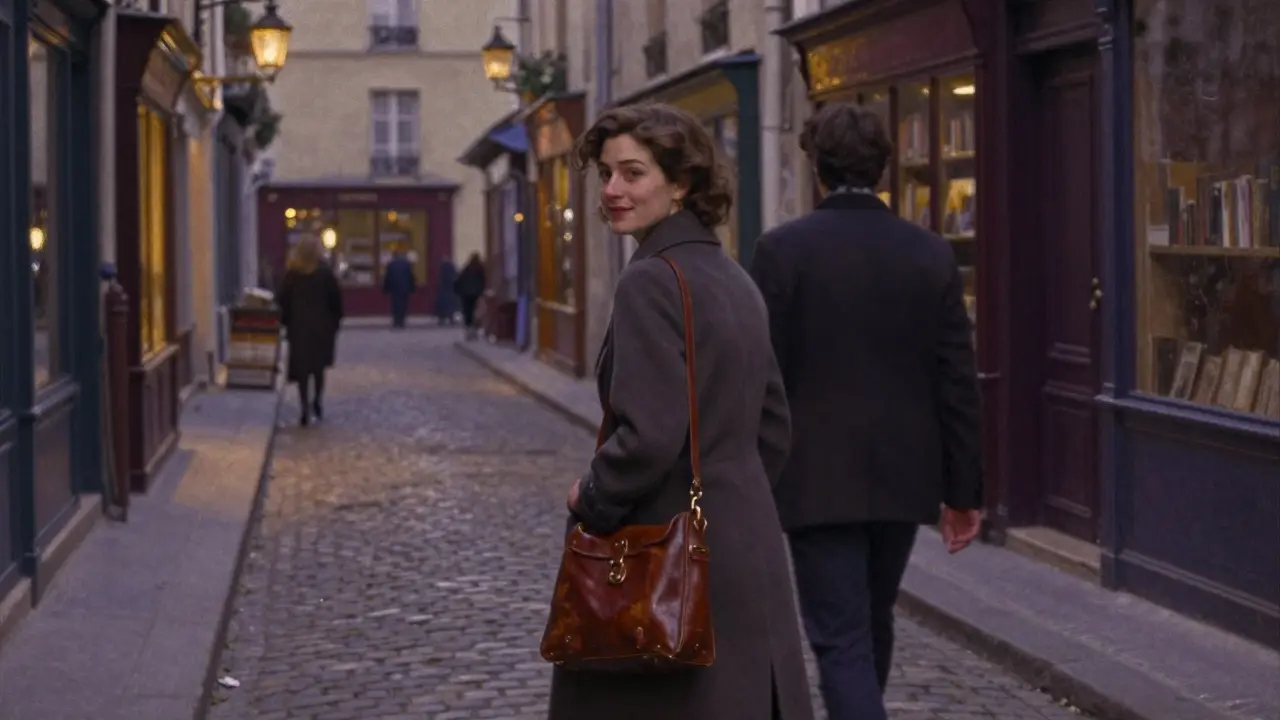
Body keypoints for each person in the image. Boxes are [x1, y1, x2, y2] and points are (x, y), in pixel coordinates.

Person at [552, 102, 814, 720]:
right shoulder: (729, 276)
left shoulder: (649, 281)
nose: (614, 190)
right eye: (608, 174)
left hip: (669, 568)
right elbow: (773, 426)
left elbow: (648, 438)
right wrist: (731, 492)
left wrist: (590, 497)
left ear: (682, 184)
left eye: (634, 173)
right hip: (746, 552)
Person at [748, 102, 984, 720]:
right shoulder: (929, 253)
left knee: (842, 637)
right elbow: (957, 379)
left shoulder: (782, 252)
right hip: (904, 477)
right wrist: (965, 492)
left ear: (817, 169)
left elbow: (759, 376)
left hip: (815, 478)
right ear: (882, 168)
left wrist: (748, 475)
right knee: (869, 623)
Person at [278, 236, 344, 427]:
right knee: (318, 368)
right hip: (321, 329)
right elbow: (336, 302)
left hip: (299, 328)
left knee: (302, 371)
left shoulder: (292, 275)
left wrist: (286, 322)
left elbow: (282, 300)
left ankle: (304, 406)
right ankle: (317, 401)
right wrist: (334, 323)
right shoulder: (325, 274)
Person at [452, 253, 486, 340]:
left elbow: (460, 280)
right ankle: (474, 329)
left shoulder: (467, 268)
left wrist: (458, 291)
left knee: (468, 311)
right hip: (476, 294)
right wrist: (481, 291)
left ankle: (469, 328)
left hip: (466, 294)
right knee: (475, 311)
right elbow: (483, 280)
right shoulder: (480, 268)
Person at [381, 247, 417, 328]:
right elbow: (410, 276)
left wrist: (386, 288)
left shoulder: (391, 264)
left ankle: (396, 320)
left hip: (394, 288)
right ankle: (402, 320)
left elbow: (388, 277)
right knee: (403, 304)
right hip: (404, 288)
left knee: (395, 304)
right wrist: (412, 287)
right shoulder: (406, 264)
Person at [435, 258, 460, 325]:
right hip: (450, 291)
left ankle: (442, 319)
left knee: (443, 306)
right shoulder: (452, 273)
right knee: (451, 306)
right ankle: (451, 319)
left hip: (444, 291)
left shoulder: (443, 272)